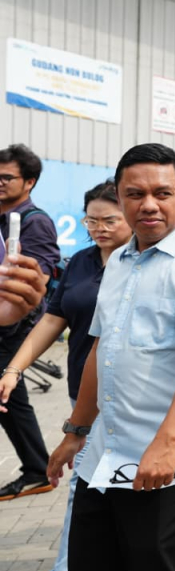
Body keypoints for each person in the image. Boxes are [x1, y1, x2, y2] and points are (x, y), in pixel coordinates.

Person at [45, 144, 175, 571]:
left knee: (156, 564)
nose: (148, 204)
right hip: (106, 455)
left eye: (162, 193)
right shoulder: (119, 261)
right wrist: (76, 430)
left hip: (167, 460)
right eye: (135, 194)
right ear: (121, 196)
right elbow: (100, 346)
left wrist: (167, 445)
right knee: (90, 561)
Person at [0, 179, 132, 571]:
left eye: (109, 219)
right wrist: (14, 369)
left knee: (124, 491)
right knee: (83, 485)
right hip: (85, 399)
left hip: (135, 399)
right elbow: (53, 319)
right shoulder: (81, 263)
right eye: (90, 221)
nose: (98, 228)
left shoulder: (143, 262)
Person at [0, 143, 61, 502]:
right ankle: (36, 467)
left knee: (10, 394)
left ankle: (37, 468)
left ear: (30, 182)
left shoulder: (34, 221)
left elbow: (36, 276)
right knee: (11, 395)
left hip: (16, 324)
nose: (0, 183)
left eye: (7, 177)